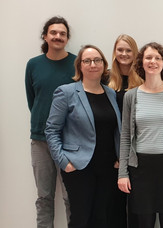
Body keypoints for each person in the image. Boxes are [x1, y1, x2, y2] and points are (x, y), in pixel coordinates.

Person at [45, 44, 122, 228]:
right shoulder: (66, 92)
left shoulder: (111, 93)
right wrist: (64, 162)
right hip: (79, 168)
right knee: (81, 219)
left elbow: (116, 129)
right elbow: (51, 130)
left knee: (102, 218)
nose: (92, 64)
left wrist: (120, 157)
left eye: (97, 60)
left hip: (108, 167)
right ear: (80, 65)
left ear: (104, 65)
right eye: (87, 61)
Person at [118, 42, 163, 228]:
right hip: (140, 169)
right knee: (143, 223)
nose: (153, 61)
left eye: (157, 58)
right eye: (148, 57)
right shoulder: (131, 96)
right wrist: (122, 173)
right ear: (141, 63)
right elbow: (126, 136)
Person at [25, 16, 74, 228]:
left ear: (67, 38)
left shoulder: (76, 63)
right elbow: (33, 100)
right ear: (45, 36)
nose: (58, 36)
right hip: (40, 141)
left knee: (71, 196)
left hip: (70, 141)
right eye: (53, 32)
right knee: (44, 198)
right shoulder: (33, 65)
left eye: (62, 33)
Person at [108, 34, 143, 228]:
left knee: (137, 208)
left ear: (135, 53)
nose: (123, 54)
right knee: (115, 207)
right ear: (114, 52)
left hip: (138, 151)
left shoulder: (143, 79)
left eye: (128, 50)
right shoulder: (106, 79)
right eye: (120, 49)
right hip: (112, 150)